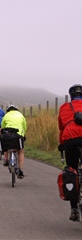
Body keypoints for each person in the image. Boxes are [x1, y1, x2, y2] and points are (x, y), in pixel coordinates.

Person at [58, 84, 82, 221]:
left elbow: (61, 128)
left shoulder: (64, 107)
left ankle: (74, 209)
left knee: (72, 171)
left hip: (70, 139)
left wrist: (62, 144)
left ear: (71, 96)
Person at [1, 104, 27, 179]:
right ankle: (20, 170)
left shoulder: (6, 115)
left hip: (8, 135)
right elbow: (24, 127)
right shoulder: (21, 115)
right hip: (18, 136)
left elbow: (2, 126)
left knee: (6, 146)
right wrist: (23, 134)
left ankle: (6, 160)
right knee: (20, 151)